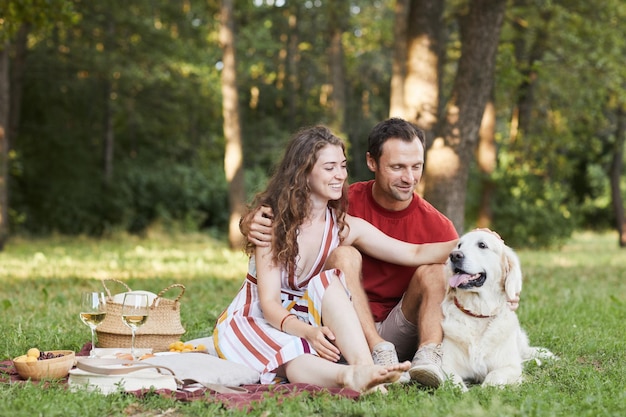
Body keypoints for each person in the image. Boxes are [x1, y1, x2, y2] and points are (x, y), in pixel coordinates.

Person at [214, 125, 457, 393]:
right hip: (267, 317)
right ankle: (349, 376)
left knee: (330, 280)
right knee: (295, 351)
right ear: (302, 173)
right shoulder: (273, 223)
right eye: (330, 168)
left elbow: (414, 252)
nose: (340, 175)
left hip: (314, 317)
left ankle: (367, 368)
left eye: (342, 166)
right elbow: (269, 303)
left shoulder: (342, 225)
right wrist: (247, 221)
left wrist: (482, 241)